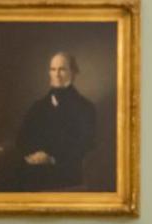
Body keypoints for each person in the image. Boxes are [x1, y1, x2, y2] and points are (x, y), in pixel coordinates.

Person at [14, 51, 96, 191]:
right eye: (53, 69)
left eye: (62, 69)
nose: (57, 74)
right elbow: (22, 139)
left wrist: (52, 158)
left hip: (66, 173)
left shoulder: (86, 107)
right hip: (33, 169)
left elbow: (86, 144)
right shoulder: (37, 106)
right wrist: (36, 155)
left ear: (73, 72)